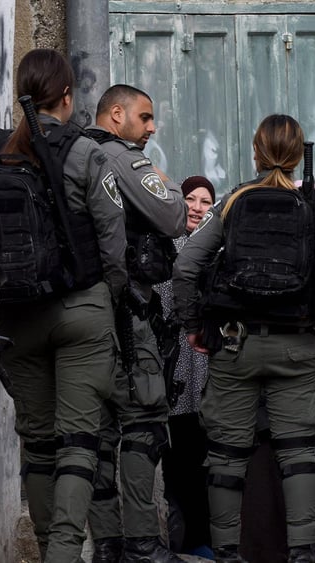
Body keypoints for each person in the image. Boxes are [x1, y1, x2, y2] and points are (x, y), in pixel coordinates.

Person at [172, 114, 315, 563]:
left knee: (226, 457)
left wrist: (194, 326)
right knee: (298, 453)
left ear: (256, 152)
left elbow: (185, 266)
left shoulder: (234, 201)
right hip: (296, 345)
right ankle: (302, 554)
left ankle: (229, 554)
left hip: (234, 346)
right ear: (297, 157)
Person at [0, 49, 128, 561]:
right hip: (80, 309)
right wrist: (108, 297)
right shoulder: (86, 152)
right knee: (78, 443)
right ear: (67, 96)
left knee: (39, 444)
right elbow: (113, 239)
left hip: (17, 314)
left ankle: (49, 549)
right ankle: (65, 553)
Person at [84, 84, 188, 563]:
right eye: (144, 118)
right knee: (145, 424)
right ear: (116, 114)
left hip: (85, 319)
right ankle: (143, 543)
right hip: (129, 316)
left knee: (99, 435)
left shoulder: (73, 153)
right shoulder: (122, 157)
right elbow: (172, 216)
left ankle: (106, 544)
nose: (150, 128)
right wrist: (165, 182)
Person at [155, 176, 216, 558]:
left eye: (205, 201)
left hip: (209, 374)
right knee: (175, 465)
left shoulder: (217, 250)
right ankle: (178, 541)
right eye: (189, 199)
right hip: (173, 373)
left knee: (206, 465)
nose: (195, 207)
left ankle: (204, 540)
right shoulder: (165, 246)